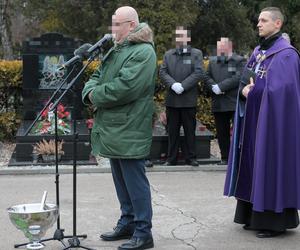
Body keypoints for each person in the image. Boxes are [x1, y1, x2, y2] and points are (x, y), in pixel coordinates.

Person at [82, 6, 156, 250]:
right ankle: (128, 222)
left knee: (135, 181)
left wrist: (95, 96)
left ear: (131, 25)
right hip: (114, 126)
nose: (112, 30)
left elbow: (126, 87)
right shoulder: (116, 50)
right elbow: (98, 76)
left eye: (117, 24)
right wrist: (91, 91)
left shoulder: (143, 52)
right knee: (120, 179)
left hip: (130, 125)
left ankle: (144, 232)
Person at [224, 7, 300, 238]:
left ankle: (273, 221)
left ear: (278, 24)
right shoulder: (259, 51)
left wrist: (252, 92)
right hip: (254, 120)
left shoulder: (287, 54)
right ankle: (251, 215)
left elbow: (283, 91)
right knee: (251, 162)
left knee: (269, 164)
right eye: (258, 20)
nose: (259, 24)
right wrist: (244, 89)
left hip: (274, 125)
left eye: (264, 20)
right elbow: (247, 79)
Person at [159, 26, 204, 166]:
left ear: (188, 38)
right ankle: (171, 159)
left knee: (190, 130)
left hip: (188, 100)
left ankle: (191, 158)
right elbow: (163, 72)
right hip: (172, 100)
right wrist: (173, 85)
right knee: (172, 131)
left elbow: (198, 72)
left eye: (183, 36)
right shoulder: (168, 54)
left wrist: (183, 86)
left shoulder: (196, 54)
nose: (180, 39)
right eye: (178, 36)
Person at [203, 37, 245, 165]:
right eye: (219, 46)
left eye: (223, 46)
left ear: (230, 47)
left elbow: (239, 77)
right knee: (222, 132)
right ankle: (225, 157)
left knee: (238, 132)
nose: (221, 49)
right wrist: (213, 87)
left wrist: (221, 87)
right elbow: (206, 76)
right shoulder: (213, 61)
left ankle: (239, 158)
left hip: (233, 102)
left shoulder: (239, 60)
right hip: (219, 102)